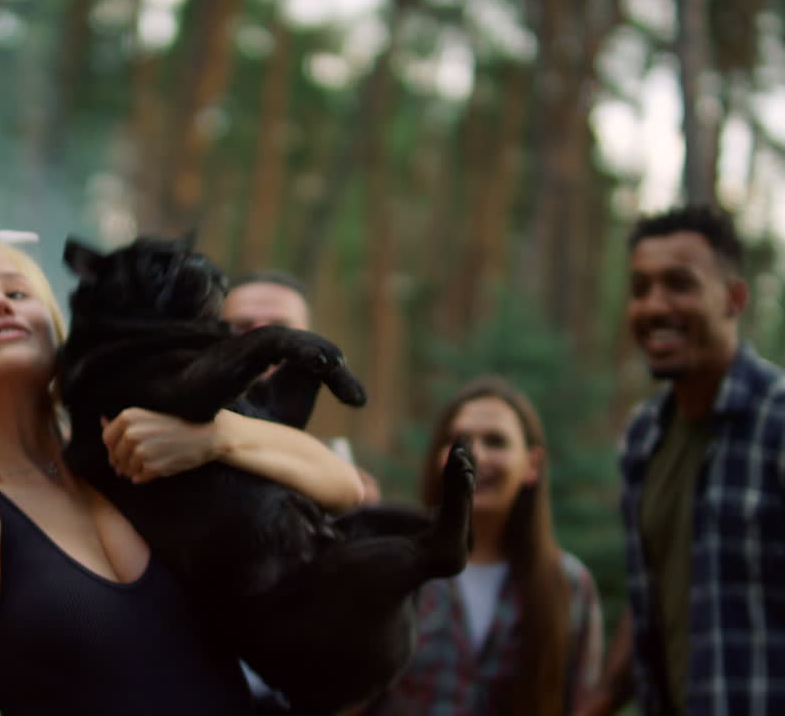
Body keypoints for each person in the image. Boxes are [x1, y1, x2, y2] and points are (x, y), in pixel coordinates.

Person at [0, 107, 366, 715]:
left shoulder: (131, 457)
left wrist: (218, 440)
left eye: (18, 292)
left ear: (58, 331)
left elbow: (341, 487)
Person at [575, 205, 785, 716]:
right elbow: (657, 592)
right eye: (640, 288)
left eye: (678, 284)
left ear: (734, 298)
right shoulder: (644, 436)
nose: (653, 306)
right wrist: (600, 698)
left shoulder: (777, 421)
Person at [371, 376, 603, 716]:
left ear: (532, 465)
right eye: (458, 441)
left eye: (496, 442)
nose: (474, 456)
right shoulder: (394, 567)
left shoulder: (569, 585)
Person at [222, 269, 381, 502]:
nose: (264, 343)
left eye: (284, 331)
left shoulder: (337, 461)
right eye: (242, 327)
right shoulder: (166, 432)